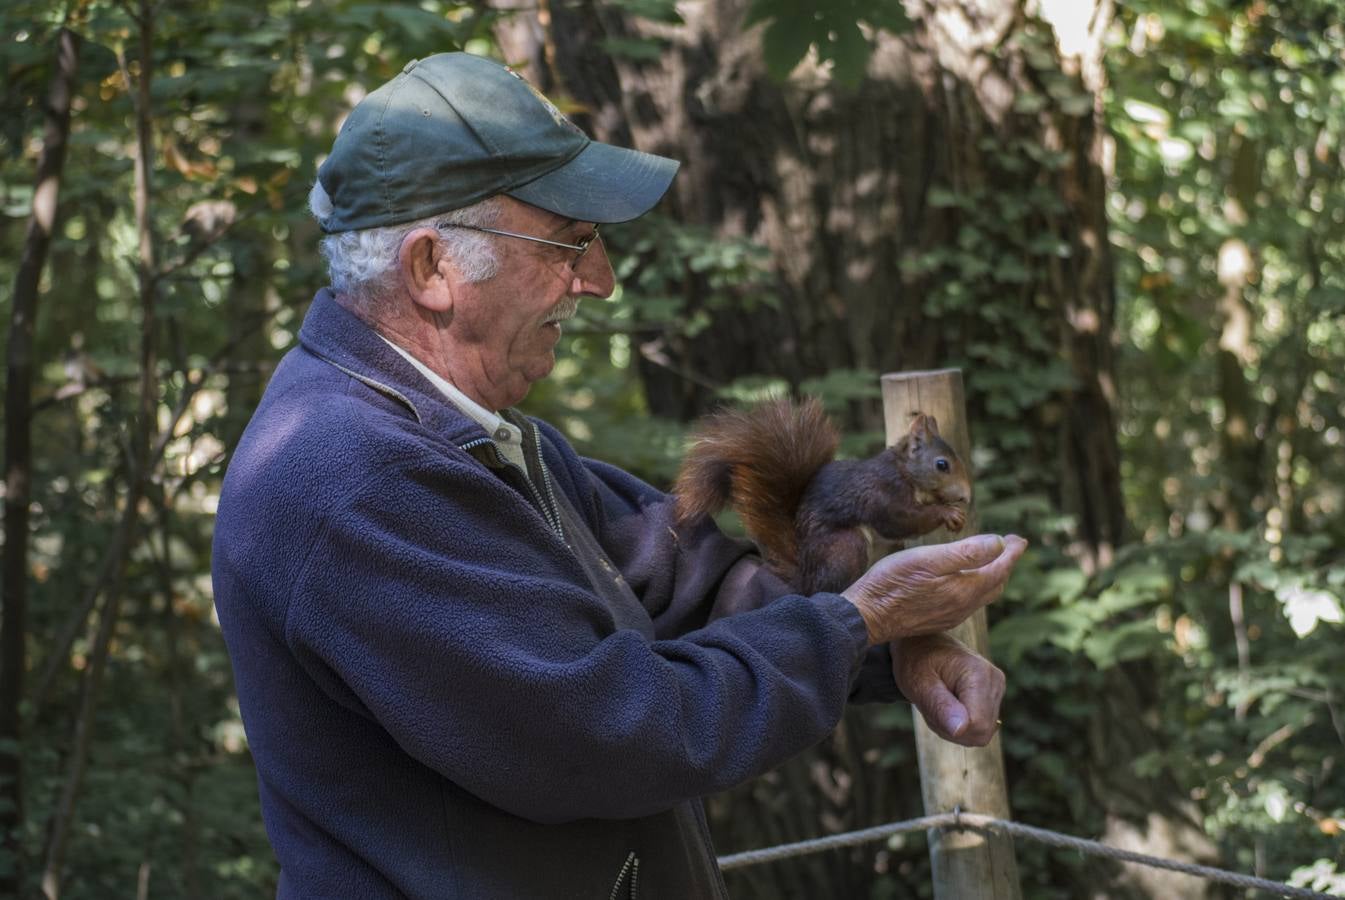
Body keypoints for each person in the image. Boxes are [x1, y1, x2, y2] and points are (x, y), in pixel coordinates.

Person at [212, 52, 1027, 899]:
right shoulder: (358, 480)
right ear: (431, 269)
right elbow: (600, 734)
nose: (598, 281)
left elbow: (685, 582)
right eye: (568, 242)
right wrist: (855, 623)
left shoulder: (481, 438)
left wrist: (887, 648)